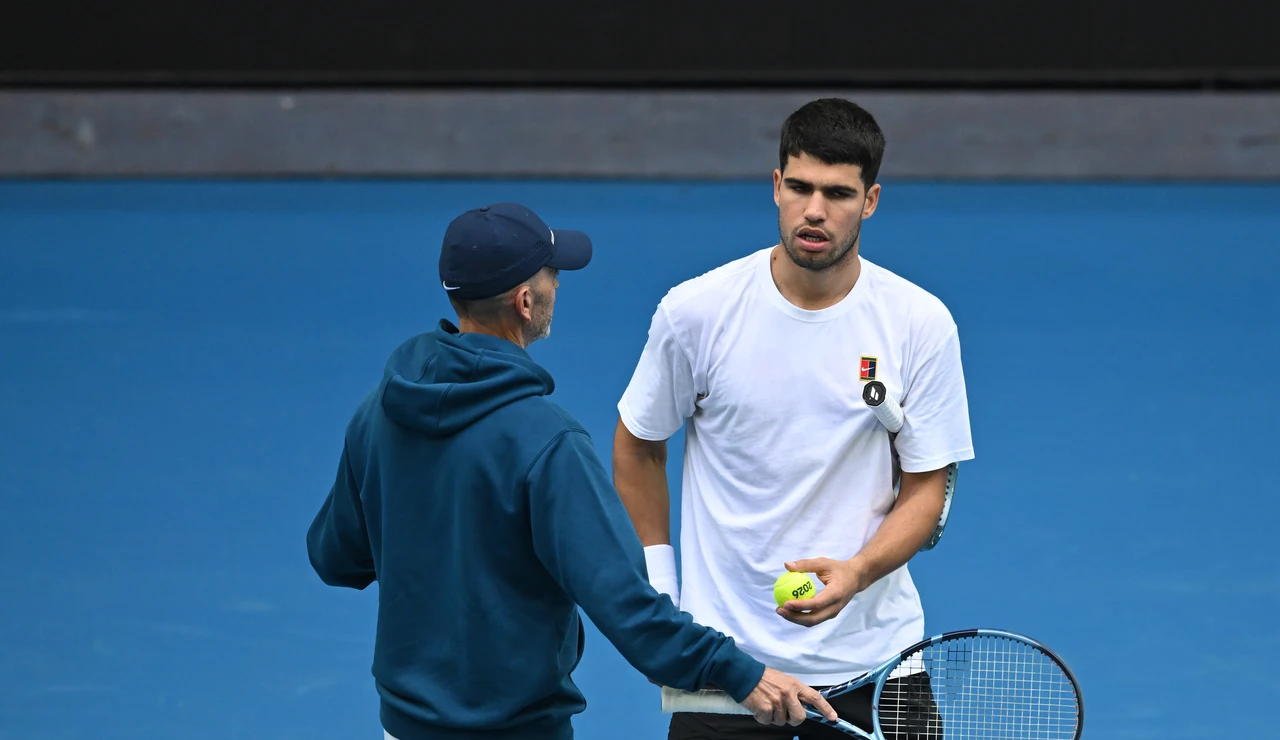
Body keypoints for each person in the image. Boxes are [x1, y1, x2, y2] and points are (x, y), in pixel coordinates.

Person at [305, 202, 837, 740]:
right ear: (524, 301)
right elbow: (630, 609)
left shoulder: (378, 413)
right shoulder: (548, 442)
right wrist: (742, 673)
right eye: (551, 274)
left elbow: (336, 558)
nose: (558, 283)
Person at [612, 98, 976, 739]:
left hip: (878, 669)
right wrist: (663, 593)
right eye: (800, 187)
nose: (814, 210)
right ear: (776, 185)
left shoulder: (920, 324)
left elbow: (927, 487)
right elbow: (638, 444)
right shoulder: (696, 312)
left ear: (870, 201)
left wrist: (857, 573)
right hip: (729, 672)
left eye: (838, 193)